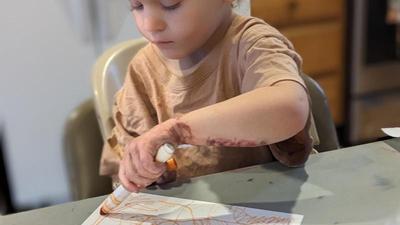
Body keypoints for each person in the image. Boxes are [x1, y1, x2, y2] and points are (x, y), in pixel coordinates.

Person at [100, 0, 316, 193]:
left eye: (171, 4)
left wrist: (178, 131)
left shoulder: (253, 43)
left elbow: (290, 108)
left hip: (275, 197)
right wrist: (140, 170)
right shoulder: (141, 70)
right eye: (138, 6)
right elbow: (128, 171)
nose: (149, 25)